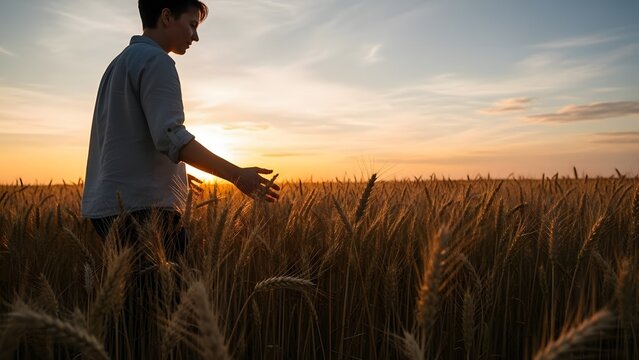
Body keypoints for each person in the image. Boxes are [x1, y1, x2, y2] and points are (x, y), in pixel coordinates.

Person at [82, 0, 280, 247]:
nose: (195, 37)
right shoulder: (156, 61)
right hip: (144, 210)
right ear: (167, 16)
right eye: (192, 25)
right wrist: (237, 175)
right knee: (167, 285)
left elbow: (122, 139)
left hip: (107, 208)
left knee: (137, 286)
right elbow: (170, 136)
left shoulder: (117, 65)